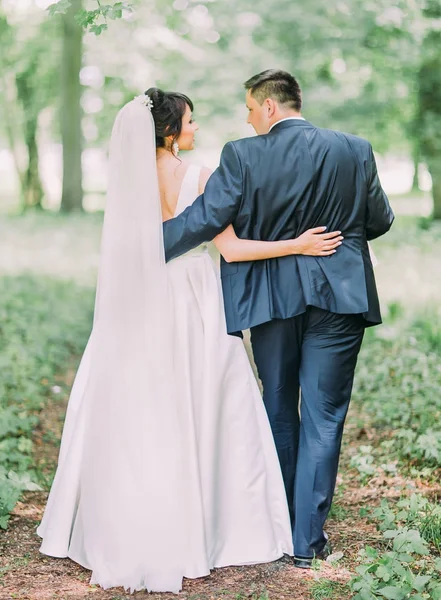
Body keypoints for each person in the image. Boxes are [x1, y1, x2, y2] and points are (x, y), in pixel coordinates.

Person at [36, 87, 342, 592]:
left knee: (143, 404)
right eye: (191, 122)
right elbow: (234, 250)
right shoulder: (200, 177)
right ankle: (213, 518)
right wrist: (300, 244)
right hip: (193, 298)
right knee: (203, 400)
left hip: (138, 298)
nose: (197, 129)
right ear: (171, 132)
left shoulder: (128, 181)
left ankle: (128, 512)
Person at [162, 69, 395, 568]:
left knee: (278, 406)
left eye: (250, 108)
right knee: (325, 416)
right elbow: (380, 220)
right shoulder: (354, 149)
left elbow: (205, 218)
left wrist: (143, 245)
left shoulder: (242, 155)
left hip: (271, 298)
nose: (247, 120)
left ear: (270, 107)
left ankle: (276, 522)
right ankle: (306, 542)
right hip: (340, 297)